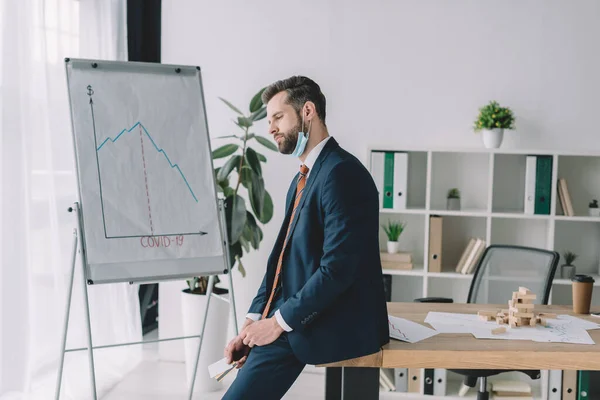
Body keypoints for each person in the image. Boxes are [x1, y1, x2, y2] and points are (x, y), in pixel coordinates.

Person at [222, 76, 389, 399]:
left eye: (278, 117)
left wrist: (276, 323)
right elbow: (282, 262)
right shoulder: (305, 177)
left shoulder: (342, 174)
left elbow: (337, 269)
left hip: (329, 318)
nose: (270, 128)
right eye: (268, 120)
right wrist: (253, 320)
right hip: (297, 312)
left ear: (308, 111)